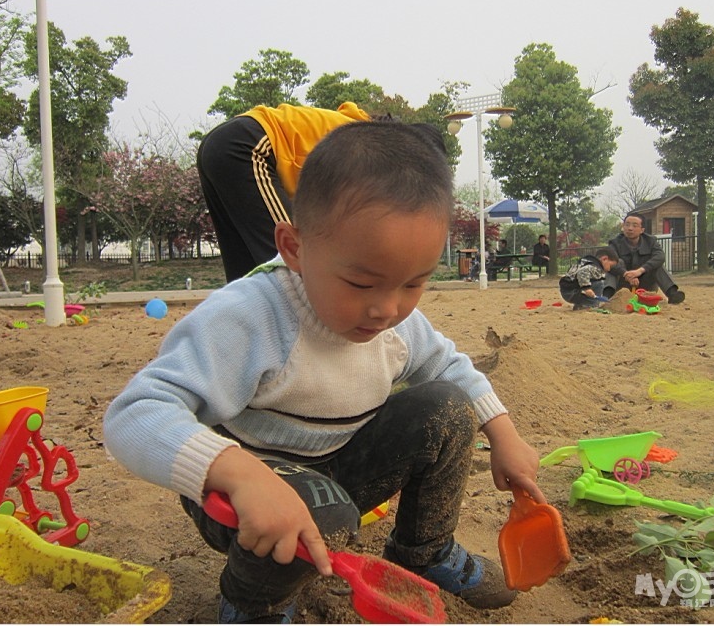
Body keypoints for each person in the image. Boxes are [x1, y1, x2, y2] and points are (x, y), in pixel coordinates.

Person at [104, 121, 544, 623]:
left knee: (447, 407)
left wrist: (503, 433)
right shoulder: (251, 317)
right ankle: (254, 604)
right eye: (361, 283)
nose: (387, 309)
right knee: (326, 511)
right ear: (294, 248)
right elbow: (135, 412)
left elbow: (448, 366)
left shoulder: (398, 324)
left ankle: (425, 551)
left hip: (337, 467)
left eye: (412, 284)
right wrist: (239, 474)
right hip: (240, 493)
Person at [196, 102, 372, 283]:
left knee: (247, 275)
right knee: (298, 264)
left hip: (218, 144)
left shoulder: (349, 126)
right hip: (248, 146)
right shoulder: (374, 149)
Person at [602, 212, 685, 304]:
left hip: (645, 284)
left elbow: (660, 256)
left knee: (657, 264)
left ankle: (672, 294)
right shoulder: (614, 243)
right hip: (623, 285)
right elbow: (608, 261)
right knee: (614, 263)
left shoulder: (651, 241)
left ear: (642, 230)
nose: (630, 228)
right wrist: (626, 274)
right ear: (623, 227)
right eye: (627, 225)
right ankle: (607, 296)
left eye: (634, 225)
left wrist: (640, 271)